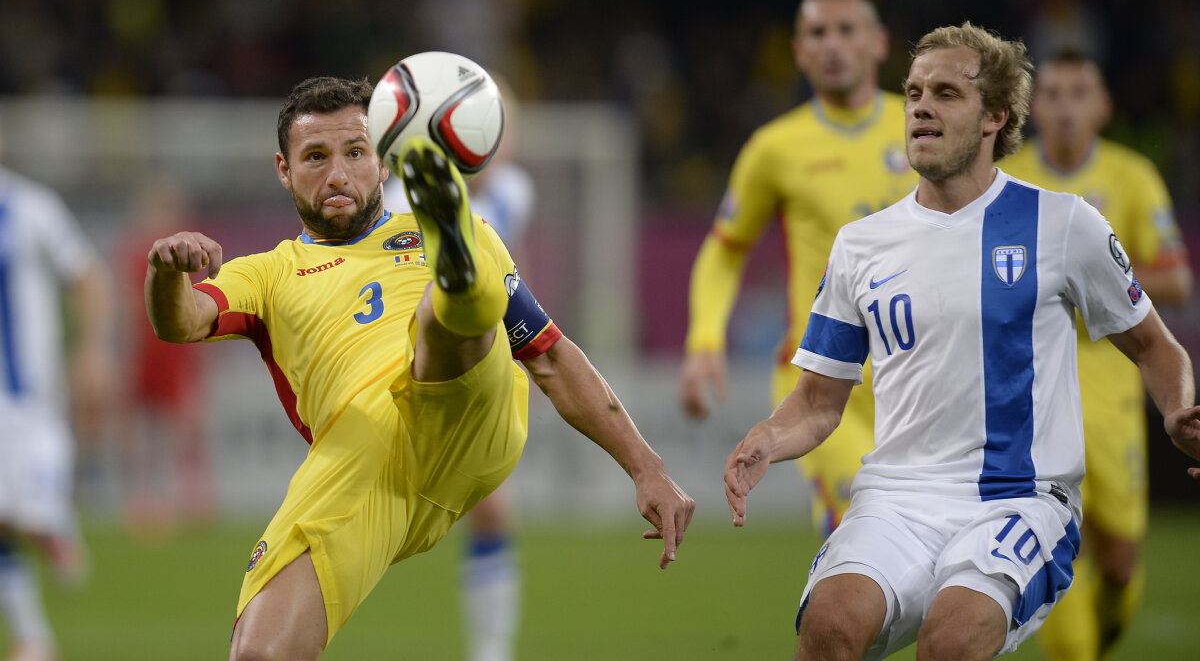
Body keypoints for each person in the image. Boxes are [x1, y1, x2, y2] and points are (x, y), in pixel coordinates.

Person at [144, 76, 694, 660]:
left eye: (356, 152)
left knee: (440, 312)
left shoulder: (464, 233)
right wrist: (166, 272)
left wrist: (646, 467)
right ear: (284, 169)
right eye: (316, 157)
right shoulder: (268, 273)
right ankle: (460, 282)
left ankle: (459, 279)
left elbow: (552, 356)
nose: (338, 174)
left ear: (384, 161)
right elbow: (181, 322)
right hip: (361, 464)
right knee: (258, 653)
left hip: (465, 415)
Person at [723, 22, 1200, 661]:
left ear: (995, 116)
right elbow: (817, 401)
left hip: (1022, 499)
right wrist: (766, 439)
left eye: (946, 93)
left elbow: (1153, 346)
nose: (921, 106)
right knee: (828, 627)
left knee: (951, 640)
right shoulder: (861, 244)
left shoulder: (1063, 224)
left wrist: (1176, 410)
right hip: (897, 498)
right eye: (914, 92)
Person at [679, 0, 916, 534]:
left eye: (846, 30)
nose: (832, 44)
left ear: (879, 43)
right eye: (817, 33)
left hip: (920, 373)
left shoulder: (922, 128)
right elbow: (725, 250)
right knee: (868, 526)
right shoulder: (775, 149)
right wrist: (704, 340)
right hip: (823, 374)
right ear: (799, 51)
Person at [1000, 49, 1194, 661]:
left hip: (1111, 403)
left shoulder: (1132, 177)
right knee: (1056, 547)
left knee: (1118, 562)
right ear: (1033, 107)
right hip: (1031, 402)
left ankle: (1104, 629)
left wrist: (1089, 279)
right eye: (1053, 94)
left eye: (1079, 93)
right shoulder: (1006, 178)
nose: (1065, 108)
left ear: (1103, 106)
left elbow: (1175, 279)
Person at [383, 78, 535, 661]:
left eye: (507, 130)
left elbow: (511, 275)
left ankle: (491, 648)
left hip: (475, 364)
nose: (503, 144)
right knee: (376, 517)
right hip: (403, 363)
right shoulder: (399, 198)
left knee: (491, 505)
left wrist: (523, 349)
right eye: (493, 129)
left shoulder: (514, 192)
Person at [0, 150, 115, 661]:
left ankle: (54, 521)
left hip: (30, 400)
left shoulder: (29, 208)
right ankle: (34, 638)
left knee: (24, 520)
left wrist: (93, 349)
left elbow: (88, 276)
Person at [118, 176, 214, 536]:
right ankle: (143, 498)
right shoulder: (136, 250)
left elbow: (203, 299)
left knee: (184, 426)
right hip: (146, 351)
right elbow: (129, 305)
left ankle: (190, 495)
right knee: (140, 430)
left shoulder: (191, 252)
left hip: (178, 351)